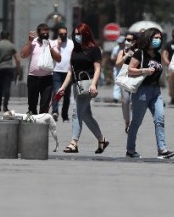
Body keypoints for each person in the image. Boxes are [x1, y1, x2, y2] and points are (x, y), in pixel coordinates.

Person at [56, 23, 109, 154]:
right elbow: (70, 71)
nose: (76, 37)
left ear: (85, 34)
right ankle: (102, 140)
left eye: (79, 34)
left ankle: (73, 143)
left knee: (76, 113)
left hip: (89, 85)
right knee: (86, 116)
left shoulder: (94, 49)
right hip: (77, 86)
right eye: (75, 34)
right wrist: (62, 87)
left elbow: (97, 69)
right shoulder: (75, 50)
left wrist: (93, 85)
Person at [125, 28, 174, 159]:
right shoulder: (139, 53)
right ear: (148, 38)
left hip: (155, 91)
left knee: (160, 119)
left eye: (159, 38)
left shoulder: (157, 55)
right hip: (142, 90)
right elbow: (130, 70)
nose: (158, 40)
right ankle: (130, 149)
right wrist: (145, 70)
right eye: (155, 38)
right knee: (136, 121)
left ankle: (162, 149)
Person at [20, 23, 62, 114]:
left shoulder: (52, 43)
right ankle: (33, 126)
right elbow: (23, 55)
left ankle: (42, 126)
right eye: (43, 31)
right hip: (33, 78)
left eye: (47, 31)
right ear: (38, 33)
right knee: (32, 106)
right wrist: (29, 42)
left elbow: (58, 59)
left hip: (47, 79)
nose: (46, 33)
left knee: (44, 106)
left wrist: (50, 48)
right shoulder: (33, 43)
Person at [0, 31, 21, 112]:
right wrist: (18, 69)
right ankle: (5, 105)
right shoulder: (11, 46)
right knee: (7, 87)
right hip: (9, 68)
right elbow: (17, 59)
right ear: (8, 36)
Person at [115, 32, 137, 133]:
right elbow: (117, 65)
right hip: (124, 79)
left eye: (130, 40)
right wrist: (126, 56)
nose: (128, 42)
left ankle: (132, 124)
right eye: (126, 39)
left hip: (135, 79)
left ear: (135, 41)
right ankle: (127, 121)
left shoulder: (139, 52)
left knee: (133, 102)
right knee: (125, 101)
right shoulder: (122, 51)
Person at [52, 25, 74, 122]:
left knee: (66, 95)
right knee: (57, 91)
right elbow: (51, 55)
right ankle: (55, 112)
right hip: (56, 70)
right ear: (58, 34)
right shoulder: (53, 43)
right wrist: (58, 45)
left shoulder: (71, 43)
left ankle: (65, 115)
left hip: (68, 72)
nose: (63, 35)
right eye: (61, 34)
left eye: (65, 34)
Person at [162, 28, 174, 106]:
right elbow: (164, 53)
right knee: (171, 83)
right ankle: (172, 98)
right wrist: (167, 61)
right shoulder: (168, 44)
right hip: (171, 66)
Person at [110, 36, 127, 103]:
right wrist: (118, 59)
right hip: (117, 68)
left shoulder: (127, 49)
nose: (120, 44)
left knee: (125, 83)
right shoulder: (116, 49)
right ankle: (116, 97)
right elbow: (112, 58)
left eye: (121, 43)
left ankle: (125, 97)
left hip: (125, 68)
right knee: (117, 83)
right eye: (119, 43)